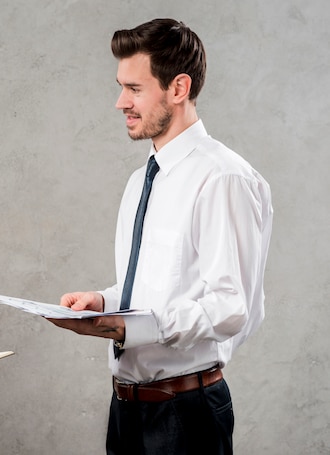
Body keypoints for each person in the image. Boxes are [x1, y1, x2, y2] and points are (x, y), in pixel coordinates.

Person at [48, 19, 273, 455]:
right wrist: (105, 303)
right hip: (127, 408)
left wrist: (127, 326)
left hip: (185, 413)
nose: (120, 103)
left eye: (134, 88)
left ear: (178, 88)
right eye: (121, 87)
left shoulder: (223, 177)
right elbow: (158, 286)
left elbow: (231, 307)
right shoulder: (141, 180)